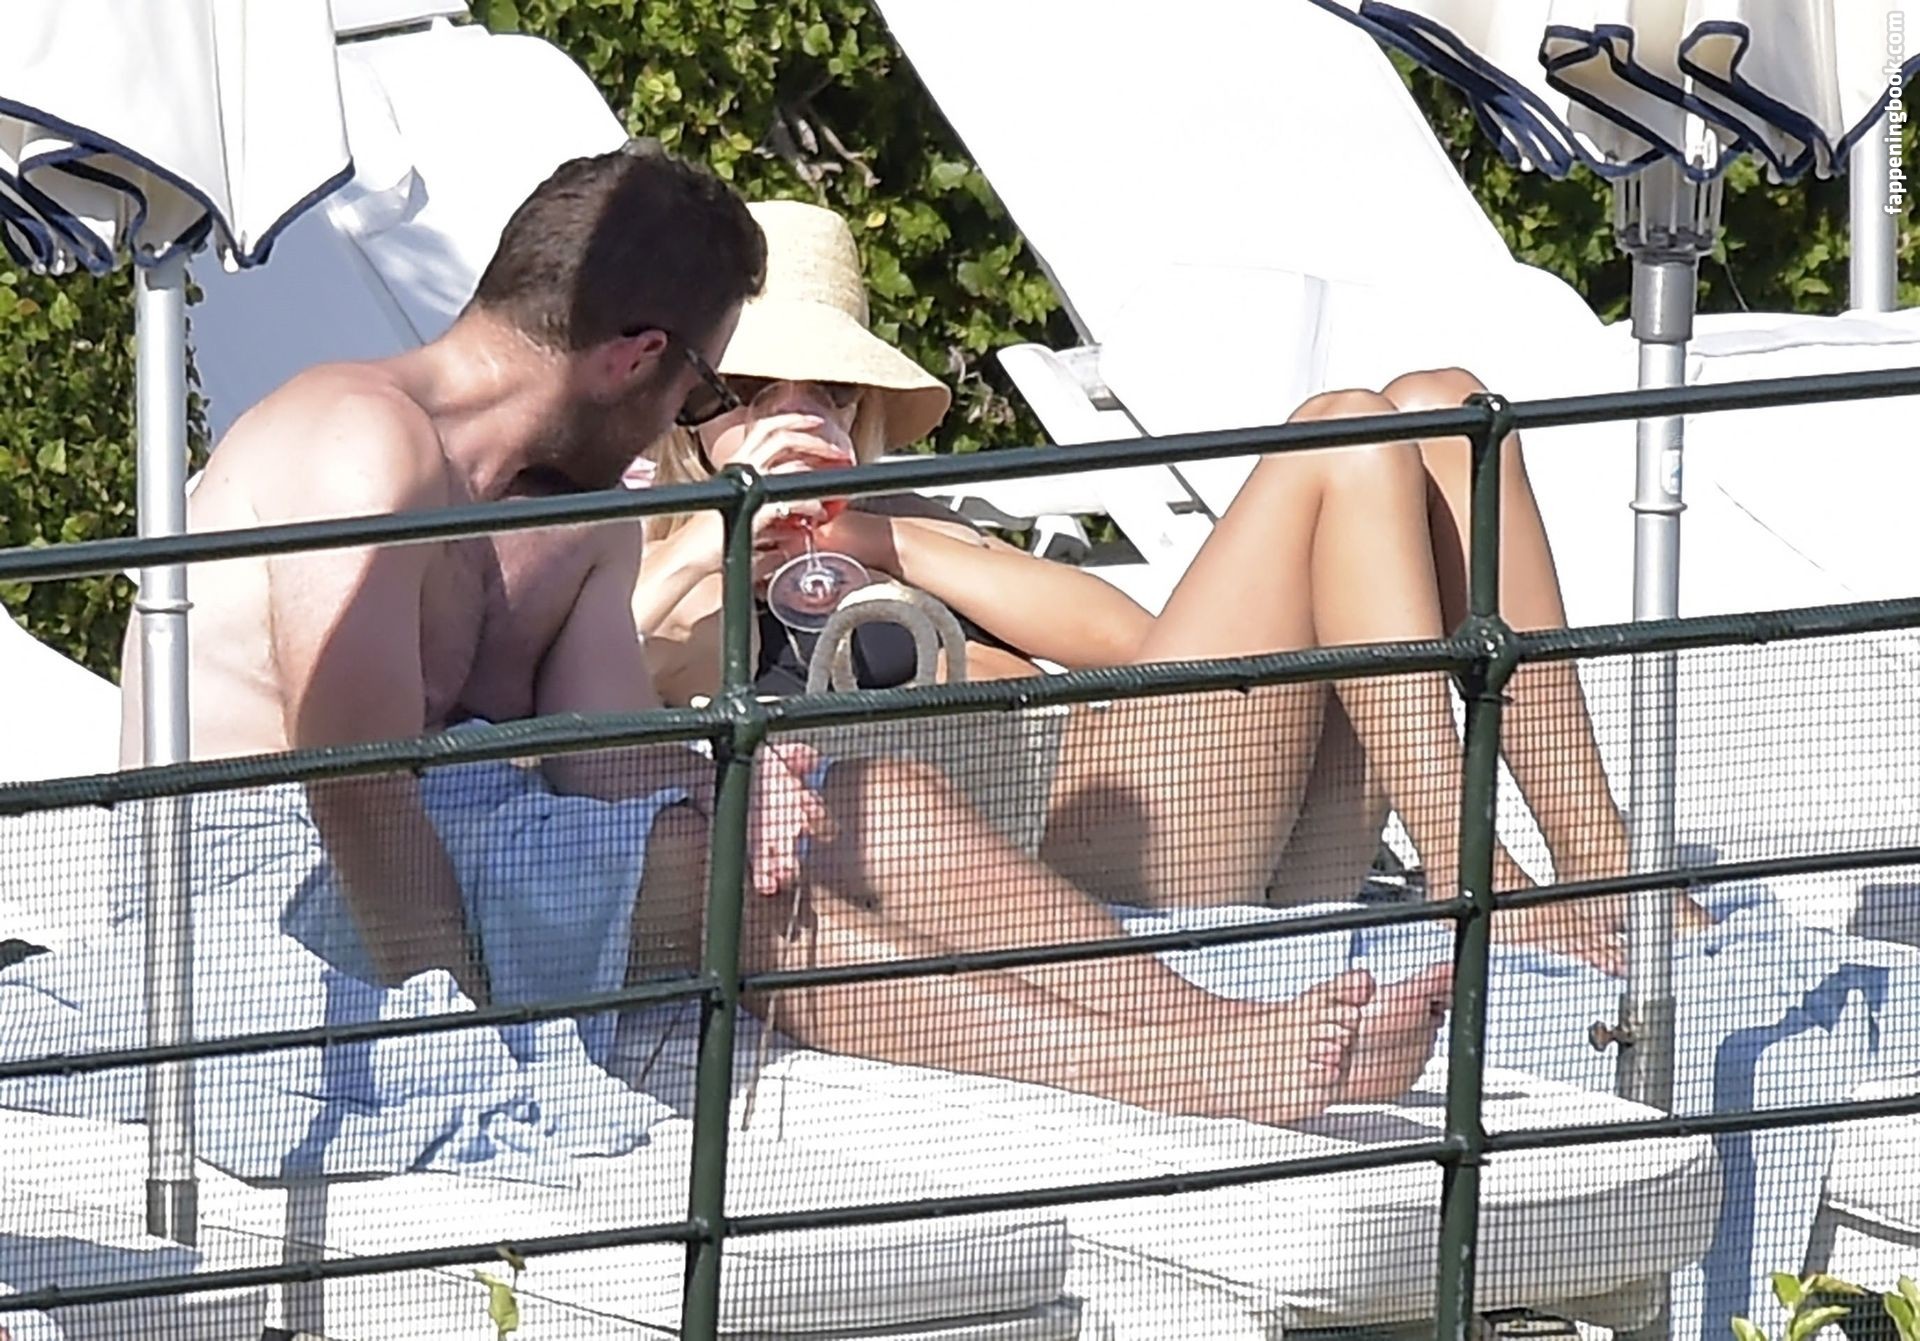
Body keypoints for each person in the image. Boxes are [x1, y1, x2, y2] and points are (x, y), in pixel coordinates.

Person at [85, 148, 1444, 1128]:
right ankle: (1189, 1075)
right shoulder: (356, 442)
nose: (689, 420)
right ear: (639, 358)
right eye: (705, 385)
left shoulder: (579, 516)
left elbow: (606, 762)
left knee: (868, 797)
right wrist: (454, 1039)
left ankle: (1220, 1022)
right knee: (728, 881)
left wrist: (734, 785)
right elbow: (356, 787)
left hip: (475, 832)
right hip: (259, 879)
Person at [632, 200, 1709, 975]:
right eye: (750, 391)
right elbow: (624, 687)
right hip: (1071, 866)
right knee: (1343, 432)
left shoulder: (910, 528)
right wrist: (728, 537)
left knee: (1447, 410)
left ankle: (1598, 851)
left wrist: (874, 534)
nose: (797, 413)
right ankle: (1471, 870)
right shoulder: (661, 563)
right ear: (688, 410)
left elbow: (1132, 644)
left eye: (830, 388)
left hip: (1201, 808)